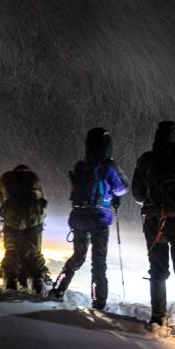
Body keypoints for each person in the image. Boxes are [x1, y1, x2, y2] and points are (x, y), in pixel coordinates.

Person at [131, 121, 175, 331]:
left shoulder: (146, 159)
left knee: (158, 269)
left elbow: (137, 194)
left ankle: (158, 317)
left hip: (155, 222)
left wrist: (154, 202)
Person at [48, 128, 128, 310]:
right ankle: (98, 302)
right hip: (99, 219)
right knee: (98, 263)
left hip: (79, 218)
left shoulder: (80, 166)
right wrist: (115, 168)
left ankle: (57, 290)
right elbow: (122, 188)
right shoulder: (108, 167)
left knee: (78, 257)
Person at [0, 164, 49, 293]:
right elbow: (42, 198)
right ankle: (38, 282)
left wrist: (7, 212)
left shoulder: (6, 178)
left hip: (13, 216)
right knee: (33, 250)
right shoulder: (34, 177)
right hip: (35, 216)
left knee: (12, 249)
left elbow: (2, 199)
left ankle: (10, 282)